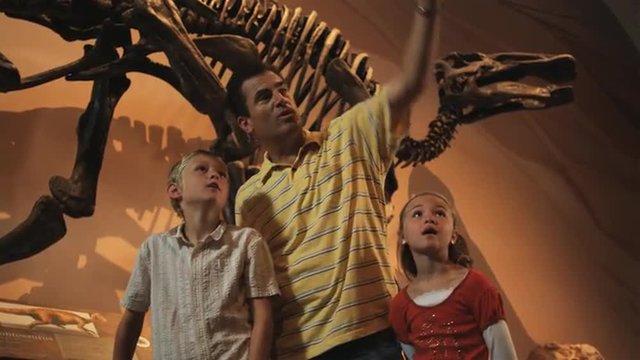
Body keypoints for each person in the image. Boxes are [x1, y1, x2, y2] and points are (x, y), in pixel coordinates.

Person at [231, 1, 444, 358]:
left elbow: (409, 84)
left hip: (373, 338)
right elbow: (258, 289)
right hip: (299, 349)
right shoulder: (250, 197)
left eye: (283, 89)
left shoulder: (350, 135)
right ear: (246, 125)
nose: (281, 100)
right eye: (264, 97)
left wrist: (426, 10)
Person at [113, 150, 280, 360]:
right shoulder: (153, 249)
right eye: (202, 169)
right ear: (175, 190)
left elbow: (263, 316)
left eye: (222, 174)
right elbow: (132, 317)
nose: (214, 175)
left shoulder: (247, 242)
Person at [389, 192, 517, 359]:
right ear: (403, 236)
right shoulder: (399, 306)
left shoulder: (476, 285)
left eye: (439, 213)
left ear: (453, 236)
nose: (429, 218)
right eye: (417, 214)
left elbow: (503, 353)